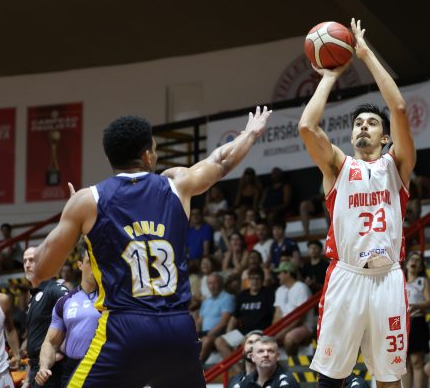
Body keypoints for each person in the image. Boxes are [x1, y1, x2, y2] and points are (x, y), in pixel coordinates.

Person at [30, 108, 272, 387]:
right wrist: (249, 134)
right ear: (147, 155)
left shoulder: (88, 200)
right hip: (177, 328)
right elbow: (221, 160)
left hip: (124, 329)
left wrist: (74, 221)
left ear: (110, 157)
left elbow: (42, 270)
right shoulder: (177, 184)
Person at [298, 19, 416, 388]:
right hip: (347, 276)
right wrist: (330, 75)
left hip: (388, 279)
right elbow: (307, 127)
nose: (363, 126)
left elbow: (398, 107)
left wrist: (365, 55)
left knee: (389, 378)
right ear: (351, 136)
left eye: (372, 123)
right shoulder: (338, 166)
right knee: (331, 378)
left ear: (385, 138)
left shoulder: (397, 166)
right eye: (358, 123)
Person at [35, 244, 99, 388]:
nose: (95, 267)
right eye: (90, 262)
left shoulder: (112, 299)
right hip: (72, 368)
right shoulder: (64, 302)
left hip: (102, 367)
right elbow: (50, 342)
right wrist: (43, 367)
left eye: (98, 262)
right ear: (80, 265)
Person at [23, 247, 69, 388]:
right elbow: (34, 338)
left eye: (32, 260)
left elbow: (75, 315)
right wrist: (27, 380)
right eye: (25, 261)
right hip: (36, 368)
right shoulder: (34, 295)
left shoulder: (54, 289)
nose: (27, 265)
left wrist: (61, 350)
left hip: (52, 369)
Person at [216, 268, 275, 359]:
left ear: (262, 280)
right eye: (252, 278)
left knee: (246, 341)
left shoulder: (268, 293)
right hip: (243, 331)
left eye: (257, 278)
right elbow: (234, 317)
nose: (254, 281)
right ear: (248, 280)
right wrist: (228, 334)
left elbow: (274, 314)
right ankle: (238, 367)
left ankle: (248, 367)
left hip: (261, 331)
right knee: (219, 341)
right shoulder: (243, 295)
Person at [404, 251, 430, 388]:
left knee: (417, 362)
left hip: (417, 322)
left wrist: (415, 306)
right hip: (402, 324)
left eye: (417, 260)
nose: (414, 261)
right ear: (406, 264)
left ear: (421, 267)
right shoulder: (399, 282)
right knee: (404, 363)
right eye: (411, 259)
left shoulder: (422, 281)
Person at [271, 261, 313, 356]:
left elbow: (300, 318)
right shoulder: (280, 290)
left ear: (288, 273)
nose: (278, 276)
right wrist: (274, 332)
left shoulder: (301, 288)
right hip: (285, 326)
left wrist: (281, 333)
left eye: (280, 273)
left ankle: (293, 363)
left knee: (289, 339)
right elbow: (277, 314)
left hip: (303, 326)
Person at [197, 273, 236, 363]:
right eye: (210, 283)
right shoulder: (206, 301)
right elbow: (199, 321)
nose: (212, 286)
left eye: (215, 283)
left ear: (221, 283)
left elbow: (223, 323)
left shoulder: (228, 298)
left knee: (207, 340)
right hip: (204, 333)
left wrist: (207, 334)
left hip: (218, 333)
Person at [0, 223, 24, 289]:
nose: (4, 232)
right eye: (3, 230)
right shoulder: (0, 243)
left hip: (16, 262)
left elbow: (8, 255)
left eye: (6, 230)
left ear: (10, 231)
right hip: (4, 262)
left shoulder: (14, 241)